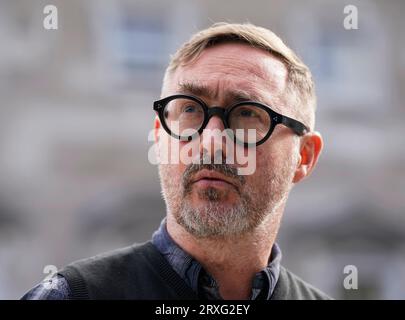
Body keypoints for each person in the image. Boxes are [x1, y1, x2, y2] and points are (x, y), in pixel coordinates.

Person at [22, 22, 329, 300]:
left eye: (247, 114)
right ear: (159, 136)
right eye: (190, 110)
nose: (211, 141)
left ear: (304, 156)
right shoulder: (74, 296)